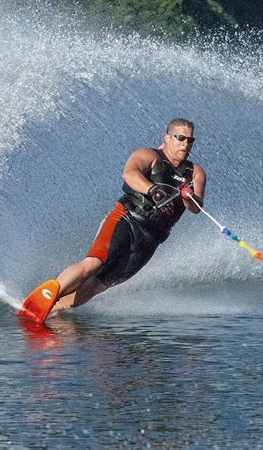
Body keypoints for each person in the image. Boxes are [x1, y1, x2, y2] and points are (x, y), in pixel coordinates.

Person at [50, 118, 206, 312]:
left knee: (97, 286)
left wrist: (188, 197)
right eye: (180, 137)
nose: (185, 143)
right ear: (167, 138)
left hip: (151, 239)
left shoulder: (195, 173)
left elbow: (196, 207)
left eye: (190, 140)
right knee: (93, 264)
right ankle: (49, 297)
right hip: (126, 218)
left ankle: (52, 312)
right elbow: (130, 174)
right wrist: (152, 190)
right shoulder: (149, 155)